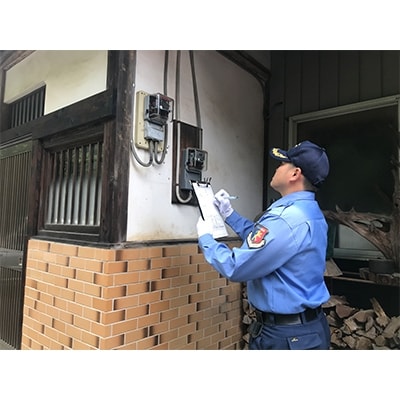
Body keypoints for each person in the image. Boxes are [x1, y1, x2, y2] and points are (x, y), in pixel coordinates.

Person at [196, 140, 331, 350]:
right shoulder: (309, 212)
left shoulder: (286, 218)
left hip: (286, 337)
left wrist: (206, 238)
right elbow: (267, 244)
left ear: (295, 173)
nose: (277, 168)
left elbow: (236, 267)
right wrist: (229, 215)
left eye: (282, 163)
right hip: (305, 330)